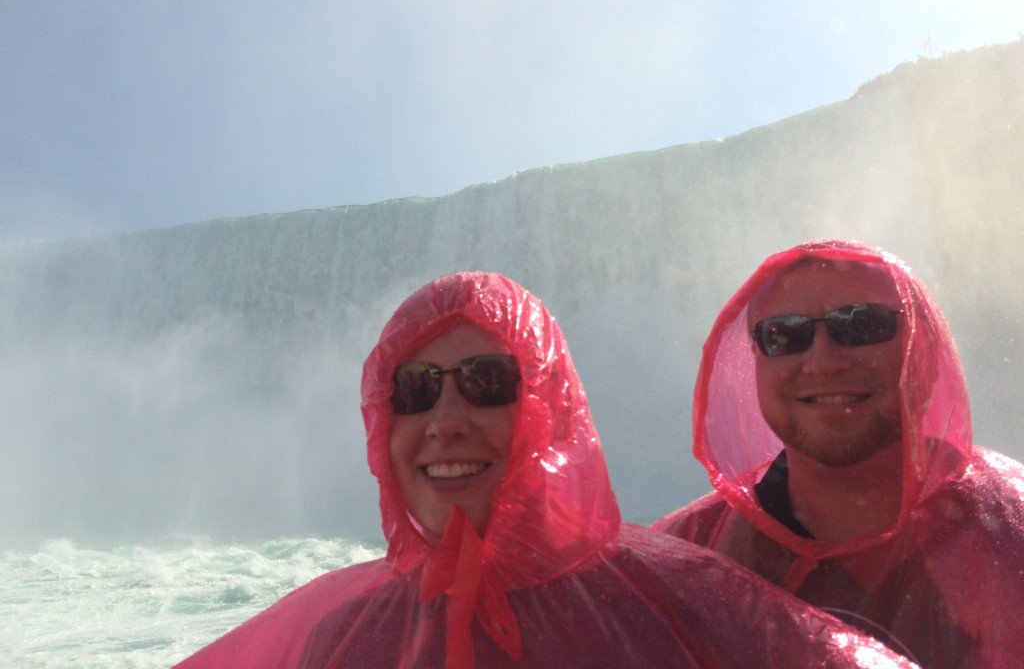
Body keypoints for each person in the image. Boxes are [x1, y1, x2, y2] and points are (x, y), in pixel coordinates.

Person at [174, 271, 915, 668]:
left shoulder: (689, 604)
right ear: (380, 420)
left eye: (489, 382)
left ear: (549, 409)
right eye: (414, 390)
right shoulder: (333, 635)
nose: (446, 419)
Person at [653, 239, 1024, 669]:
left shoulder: (1010, 533)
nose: (824, 361)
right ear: (755, 363)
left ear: (925, 356)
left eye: (861, 326)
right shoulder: (685, 560)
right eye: (785, 335)